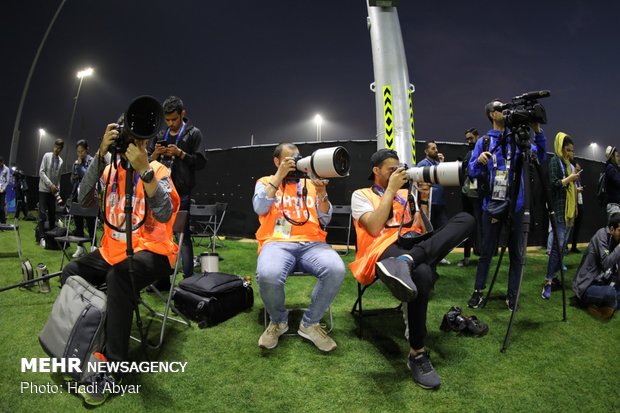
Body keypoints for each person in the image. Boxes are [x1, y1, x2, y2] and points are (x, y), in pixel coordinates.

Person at [60, 122, 180, 406]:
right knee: (71, 271)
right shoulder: (109, 169)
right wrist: (100, 155)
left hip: (153, 250)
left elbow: (163, 214)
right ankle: (84, 338)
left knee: (119, 277)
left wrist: (144, 170)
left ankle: (114, 368)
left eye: (140, 140)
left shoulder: (159, 171)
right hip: (112, 249)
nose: (135, 145)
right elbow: (84, 198)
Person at [350, 148, 474, 390]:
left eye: (399, 168)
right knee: (424, 273)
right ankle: (417, 353)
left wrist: (423, 199)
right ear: (376, 171)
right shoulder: (361, 194)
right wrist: (391, 190)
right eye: (391, 169)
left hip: (411, 245)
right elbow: (374, 228)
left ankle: (408, 260)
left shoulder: (408, 194)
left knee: (467, 220)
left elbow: (424, 229)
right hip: (381, 251)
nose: (398, 172)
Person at [253, 143, 345, 352]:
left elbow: (325, 218)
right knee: (268, 273)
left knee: (336, 269)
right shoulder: (265, 181)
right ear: (277, 161)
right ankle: (279, 321)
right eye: (289, 159)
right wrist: (279, 176)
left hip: (312, 243)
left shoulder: (310, 182)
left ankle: (310, 323)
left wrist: (322, 193)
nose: (295, 163)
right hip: (276, 242)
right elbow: (259, 207)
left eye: (297, 158)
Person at [466, 99, 546, 310]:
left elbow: (541, 155)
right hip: (491, 206)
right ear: (492, 114)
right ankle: (478, 291)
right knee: (486, 252)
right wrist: (478, 161)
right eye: (501, 108)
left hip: (517, 206)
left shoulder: (517, 140)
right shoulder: (483, 142)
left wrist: (537, 130)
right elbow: (472, 172)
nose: (506, 111)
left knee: (517, 254)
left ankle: (512, 295)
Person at [149, 96, 206, 280]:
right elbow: (146, 162)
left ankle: (188, 280)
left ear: (183, 114)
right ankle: (162, 278)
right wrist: (156, 153)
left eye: (174, 119)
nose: (171, 123)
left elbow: (201, 163)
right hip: (160, 193)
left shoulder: (194, 133)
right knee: (158, 236)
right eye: (167, 120)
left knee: (183, 237)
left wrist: (180, 154)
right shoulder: (159, 136)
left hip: (182, 194)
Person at [541, 133, 580, 299]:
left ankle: (554, 277)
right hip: (559, 210)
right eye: (568, 150)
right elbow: (554, 183)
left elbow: (571, 188)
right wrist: (569, 179)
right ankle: (548, 282)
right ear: (560, 148)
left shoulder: (568, 165)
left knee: (562, 247)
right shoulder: (555, 161)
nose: (570, 153)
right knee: (557, 248)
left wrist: (575, 204)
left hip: (568, 212)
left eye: (572, 150)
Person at [572, 213, 620, 319]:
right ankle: (588, 303)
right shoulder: (601, 235)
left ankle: (603, 306)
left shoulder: (616, 240)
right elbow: (605, 263)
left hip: (604, 282)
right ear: (612, 229)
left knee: (612, 292)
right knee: (610, 293)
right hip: (588, 285)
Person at [458, 128, 482, 266]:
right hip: (467, 194)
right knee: (467, 225)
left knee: (480, 225)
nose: (468, 141)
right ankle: (466, 256)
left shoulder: (485, 150)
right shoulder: (468, 153)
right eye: (467, 139)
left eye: (471, 138)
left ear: (477, 136)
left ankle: (481, 255)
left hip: (479, 196)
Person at [69, 139, 96, 258]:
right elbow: (72, 179)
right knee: (78, 223)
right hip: (77, 196)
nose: (80, 154)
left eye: (82, 151)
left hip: (90, 197)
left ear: (87, 150)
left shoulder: (92, 161)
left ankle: (93, 246)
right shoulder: (75, 163)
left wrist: (80, 166)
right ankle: (80, 247)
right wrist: (75, 173)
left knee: (91, 223)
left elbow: (87, 177)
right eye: (78, 152)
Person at [37, 138, 64, 246]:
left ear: (61, 149)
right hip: (43, 190)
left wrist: (57, 190)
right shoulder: (46, 156)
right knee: (42, 214)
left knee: (52, 215)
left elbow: (58, 178)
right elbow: (41, 172)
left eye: (59, 148)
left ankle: (51, 237)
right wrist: (51, 185)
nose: (57, 149)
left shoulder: (61, 161)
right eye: (56, 147)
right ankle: (41, 237)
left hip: (53, 193)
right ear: (54, 146)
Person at [570, 161, 584, 253]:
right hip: (573, 203)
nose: (578, 171)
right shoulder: (571, 177)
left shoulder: (578, 179)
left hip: (579, 202)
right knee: (570, 226)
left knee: (577, 226)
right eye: (577, 169)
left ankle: (574, 246)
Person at [604, 145, 620, 219]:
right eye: (617, 156)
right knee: (614, 230)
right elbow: (618, 182)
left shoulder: (612, 168)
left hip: (615, 205)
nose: (618, 158)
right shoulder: (610, 168)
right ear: (612, 157)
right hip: (613, 206)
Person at [0, 156, 10, 224]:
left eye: (0, 163)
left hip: (2, 191)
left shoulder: (6, 169)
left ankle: (3, 223)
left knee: (1, 207)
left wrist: (3, 189)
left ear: (2, 162)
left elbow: (7, 180)